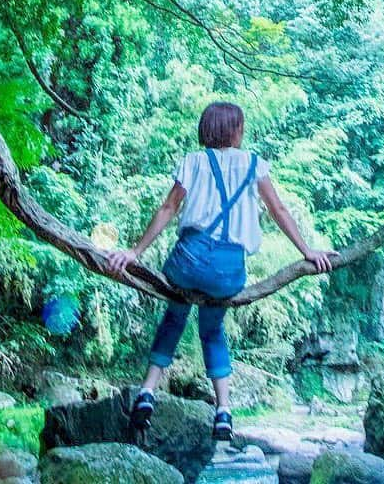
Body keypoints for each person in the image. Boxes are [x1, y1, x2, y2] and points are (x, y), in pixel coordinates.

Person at [107, 100, 336, 441]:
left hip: (188, 262)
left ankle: (147, 392)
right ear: (234, 130)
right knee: (212, 329)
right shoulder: (255, 165)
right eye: (241, 127)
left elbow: (169, 207)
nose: (243, 132)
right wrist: (308, 252)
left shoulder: (193, 161)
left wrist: (135, 251)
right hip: (229, 272)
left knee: (174, 315)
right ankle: (224, 412)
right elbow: (278, 209)